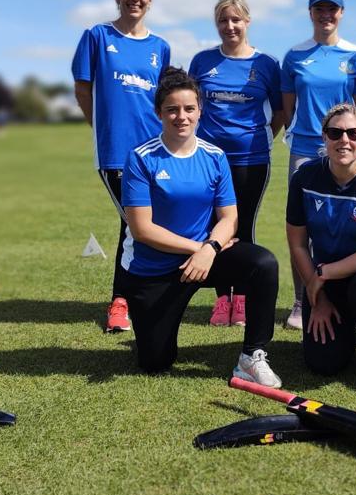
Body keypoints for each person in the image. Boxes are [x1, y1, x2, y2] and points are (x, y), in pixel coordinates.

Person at [119, 67, 283, 385]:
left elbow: (230, 218)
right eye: (172, 109)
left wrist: (210, 249)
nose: (182, 116)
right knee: (155, 362)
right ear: (159, 112)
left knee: (262, 263)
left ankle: (252, 356)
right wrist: (201, 249)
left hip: (204, 259)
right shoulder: (140, 158)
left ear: (199, 111)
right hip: (155, 268)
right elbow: (142, 229)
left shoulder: (214, 156)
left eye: (189, 108)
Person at [72, 0, 171, 334]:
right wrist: (99, 127)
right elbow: (83, 89)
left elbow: (160, 100)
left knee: (140, 224)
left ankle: (146, 294)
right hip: (115, 151)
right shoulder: (97, 36)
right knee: (134, 225)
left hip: (154, 150)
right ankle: (121, 303)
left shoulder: (160, 47)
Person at [189, 0, 284, 327]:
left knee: (243, 228)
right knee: (214, 228)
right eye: (223, 21)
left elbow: (281, 112)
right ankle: (221, 300)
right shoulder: (202, 61)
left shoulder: (267, 65)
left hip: (252, 161)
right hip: (210, 162)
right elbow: (193, 107)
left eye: (236, 20)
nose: (230, 26)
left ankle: (241, 300)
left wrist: (258, 140)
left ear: (248, 21)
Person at [286, 104, 356, 380]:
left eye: (353, 132)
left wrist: (320, 275)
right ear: (324, 137)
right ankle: (348, 327)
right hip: (328, 281)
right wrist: (320, 299)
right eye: (335, 133)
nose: (344, 140)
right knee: (323, 363)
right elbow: (298, 244)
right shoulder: (304, 177)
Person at [280, 0, 356, 330]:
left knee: (351, 226)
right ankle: (303, 301)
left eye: (332, 8)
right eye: (320, 8)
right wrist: (299, 132)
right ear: (311, 13)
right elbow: (288, 107)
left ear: (341, 13)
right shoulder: (295, 55)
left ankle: (353, 301)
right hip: (306, 150)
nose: (326, 15)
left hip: (346, 150)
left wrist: (352, 143)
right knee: (303, 229)